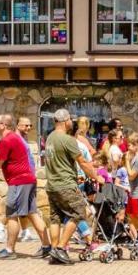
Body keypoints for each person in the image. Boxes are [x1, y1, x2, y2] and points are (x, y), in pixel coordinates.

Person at [0, 114, 51, 259]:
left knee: (12, 215)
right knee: (32, 213)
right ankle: (46, 246)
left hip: (19, 182)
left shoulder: (6, 140)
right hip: (28, 179)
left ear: (4, 125)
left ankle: (9, 250)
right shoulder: (13, 138)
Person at [43, 108, 100, 264]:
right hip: (66, 184)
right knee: (78, 213)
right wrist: (97, 177)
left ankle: (54, 250)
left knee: (55, 218)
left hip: (52, 185)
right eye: (70, 120)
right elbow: (82, 162)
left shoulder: (50, 138)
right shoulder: (68, 140)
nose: (71, 123)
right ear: (65, 121)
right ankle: (61, 248)